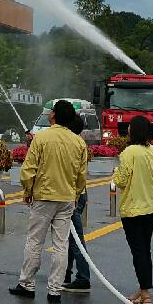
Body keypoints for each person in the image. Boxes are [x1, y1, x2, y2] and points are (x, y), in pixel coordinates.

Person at [9, 99, 88, 304]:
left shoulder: (42, 138)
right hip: (67, 198)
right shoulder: (79, 142)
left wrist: (28, 190)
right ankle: (55, 290)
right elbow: (81, 175)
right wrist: (75, 194)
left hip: (44, 197)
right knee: (61, 245)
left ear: (54, 115)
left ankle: (27, 284)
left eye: (51, 110)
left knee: (35, 241)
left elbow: (28, 169)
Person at [113, 114, 153, 304]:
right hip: (150, 208)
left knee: (138, 252)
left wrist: (115, 173)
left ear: (133, 130)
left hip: (133, 209)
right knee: (145, 250)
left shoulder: (129, 152)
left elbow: (121, 180)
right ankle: (142, 291)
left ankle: (146, 294)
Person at [62, 112, 91, 294]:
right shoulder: (79, 143)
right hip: (79, 194)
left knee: (76, 239)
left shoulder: (71, 144)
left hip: (72, 195)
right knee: (70, 237)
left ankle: (83, 277)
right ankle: (66, 273)